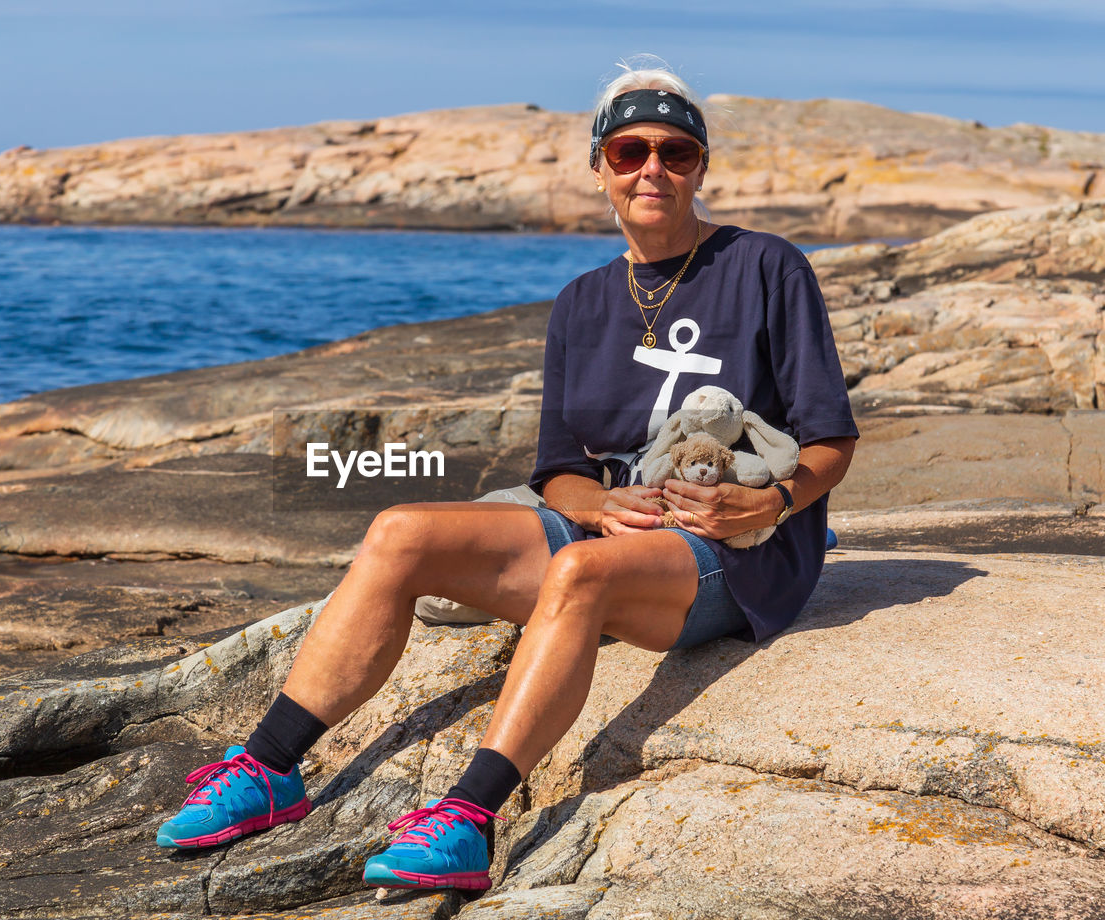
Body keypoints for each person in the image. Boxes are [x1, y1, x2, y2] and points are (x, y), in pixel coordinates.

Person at [155, 59, 858, 893]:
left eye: (676, 152)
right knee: (399, 533)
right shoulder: (582, 302)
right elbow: (558, 470)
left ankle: (467, 819)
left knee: (580, 572)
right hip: (616, 529)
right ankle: (270, 769)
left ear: (701, 166)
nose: (653, 170)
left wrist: (768, 499)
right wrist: (599, 503)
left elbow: (831, 440)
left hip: (734, 549)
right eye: (631, 151)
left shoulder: (767, 267)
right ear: (599, 166)